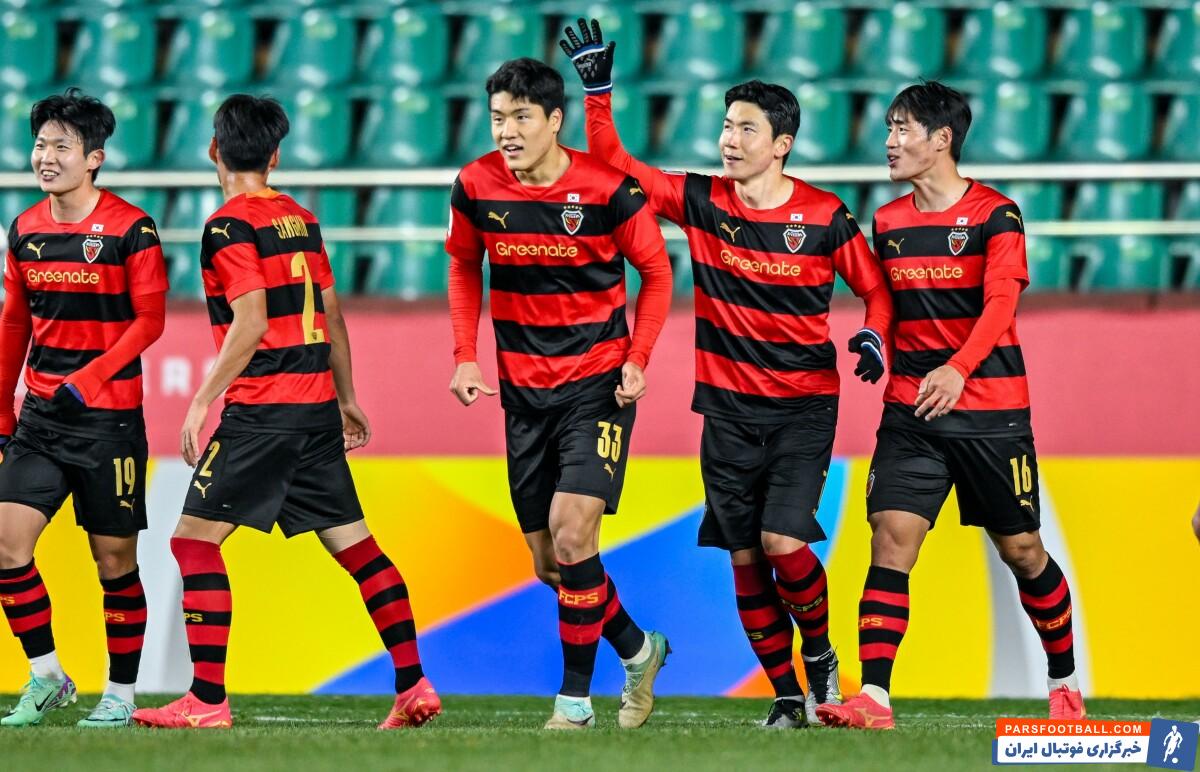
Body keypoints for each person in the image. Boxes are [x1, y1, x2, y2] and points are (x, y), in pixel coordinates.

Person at [560, 19, 892, 728]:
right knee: (744, 559)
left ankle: (821, 656)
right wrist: (598, 93)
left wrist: (873, 334)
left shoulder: (824, 215)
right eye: (725, 126)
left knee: (783, 544)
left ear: (781, 143)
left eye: (745, 128)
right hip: (726, 412)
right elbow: (618, 167)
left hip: (803, 409)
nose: (729, 139)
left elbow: (877, 289)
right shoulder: (704, 201)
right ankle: (787, 696)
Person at [132, 95, 439, 730]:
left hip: (262, 411)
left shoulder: (226, 227)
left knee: (191, 542)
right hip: (316, 408)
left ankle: (207, 700)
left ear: (214, 150)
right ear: (274, 156)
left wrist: (201, 399)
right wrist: (346, 397)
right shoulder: (301, 219)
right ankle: (413, 683)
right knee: (360, 550)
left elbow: (251, 321)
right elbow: (332, 316)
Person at [817, 81, 1086, 730]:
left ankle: (1065, 684)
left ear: (941, 139)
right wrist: (874, 336)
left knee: (1023, 551)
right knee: (891, 539)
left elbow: (1001, 305)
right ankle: (875, 697)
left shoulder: (997, 215)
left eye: (902, 128)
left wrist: (959, 369)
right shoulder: (889, 222)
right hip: (912, 409)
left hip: (991, 411)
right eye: (888, 127)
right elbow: (886, 301)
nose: (889, 141)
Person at [447, 57, 673, 730]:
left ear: (554, 120)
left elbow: (658, 273)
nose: (507, 132)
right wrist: (464, 355)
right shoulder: (475, 185)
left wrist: (638, 357)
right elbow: (463, 265)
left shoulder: (608, 190)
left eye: (521, 117)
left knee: (574, 535)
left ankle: (573, 706)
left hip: (597, 387)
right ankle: (639, 650)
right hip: (523, 394)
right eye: (497, 118)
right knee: (554, 564)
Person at [0, 89, 167, 727]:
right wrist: (3, 410)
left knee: (114, 563)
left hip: (109, 422)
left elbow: (149, 321)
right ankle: (47, 676)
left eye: (62, 147)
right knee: (6, 545)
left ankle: (120, 694)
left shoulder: (132, 228)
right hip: (42, 420)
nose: (46, 157)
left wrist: (91, 379)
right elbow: (14, 325)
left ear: (94, 157)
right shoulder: (25, 229)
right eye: (40, 145)